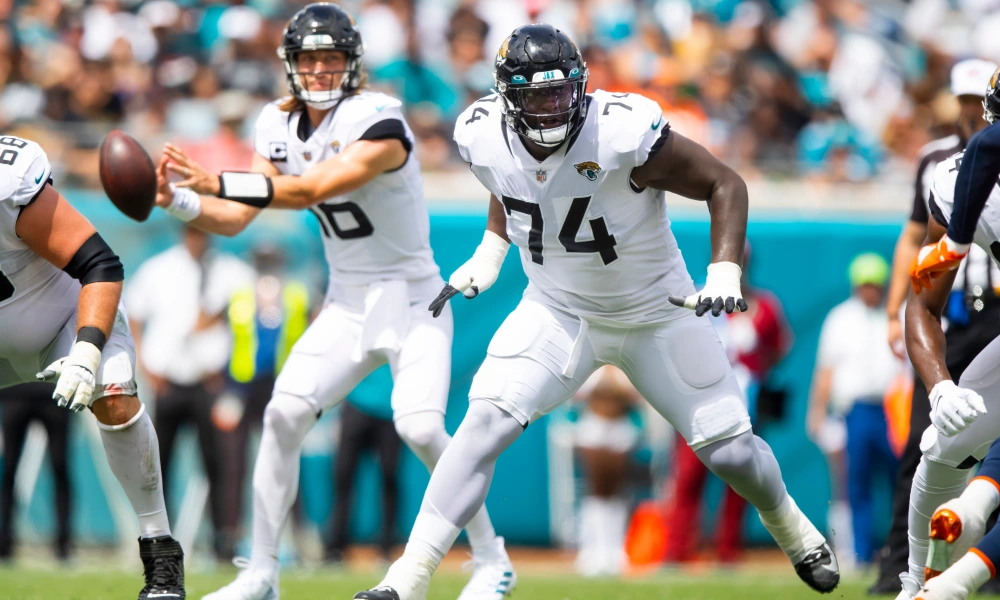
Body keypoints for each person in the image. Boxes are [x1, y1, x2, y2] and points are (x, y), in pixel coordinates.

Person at [355, 23, 839, 600]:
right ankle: (407, 578)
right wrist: (492, 248)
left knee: (732, 452)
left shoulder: (619, 131)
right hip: (558, 309)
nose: (550, 107)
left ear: (581, 85)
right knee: (481, 426)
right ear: (508, 99)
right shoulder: (481, 133)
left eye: (560, 92)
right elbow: (508, 182)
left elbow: (725, 183)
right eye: (535, 96)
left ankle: (791, 527)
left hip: (656, 312)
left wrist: (724, 270)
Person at [153, 5, 511, 599]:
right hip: (345, 303)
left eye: (331, 57)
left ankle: (491, 558)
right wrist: (180, 201)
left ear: (352, 62)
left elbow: (310, 189)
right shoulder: (274, 122)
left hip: (412, 298)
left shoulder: (380, 119)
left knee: (421, 426)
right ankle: (261, 573)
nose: (320, 69)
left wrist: (213, 180)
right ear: (290, 63)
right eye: (309, 58)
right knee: (282, 415)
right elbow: (237, 217)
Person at [0, 134, 184, 598]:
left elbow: (100, 265)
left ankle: (160, 550)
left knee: (113, 394)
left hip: (64, 320)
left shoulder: (8, 185)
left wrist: (85, 352)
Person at [871, 58, 1000, 596]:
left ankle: (960, 566)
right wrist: (940, 386)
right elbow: (923, 304)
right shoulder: (953, 180)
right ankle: (915, 581)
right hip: (974, 315)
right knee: (942, 445)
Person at [127, 224, 254, 561]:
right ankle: (159, 541)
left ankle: (224, 542)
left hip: (210, 382)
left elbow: (250, 318)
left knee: (219, 464)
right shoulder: (159, 269)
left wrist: (220, 329)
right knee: (158, 465)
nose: (198, 238)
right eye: (192, 232)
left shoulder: (232, 272)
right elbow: (133, 314)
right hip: (167, 381)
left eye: (203, 231)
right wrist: (144, 365)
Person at [663, 242, 792, 565]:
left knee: (741, 481)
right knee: (688, 477)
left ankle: (727, 550)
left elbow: (780, 346)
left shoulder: (764, 305)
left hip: (744, 404)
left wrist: (754, 372)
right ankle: (677, 550)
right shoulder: (697, 296)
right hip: (699, 402)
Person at [807, 252, 901, 569]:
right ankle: (862, 553)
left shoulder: (896, 314)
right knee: (856, 483)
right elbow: (826, 370)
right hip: (856, 411)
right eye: (865, 284)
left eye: (875, 284)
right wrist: (817, 412)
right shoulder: (840, 318)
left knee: (900, 481)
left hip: (892, 409)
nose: (870, 290)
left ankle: (899, 551)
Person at [325, 368, 403, 565]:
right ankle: (335, 549)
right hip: (356, 406)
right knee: (343, 476)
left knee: (390, 477)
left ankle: (387, 549)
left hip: (391, 410)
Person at [573, 366, 641, 576]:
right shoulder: (591, 370)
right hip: (594, 431)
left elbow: (637, 398)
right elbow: (576, 396)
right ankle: (591, 551)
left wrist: (617, 382)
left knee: (617, 494)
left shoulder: (626, 371)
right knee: (596, 493)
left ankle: (615, 551)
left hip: (619, 433)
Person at [0, 382, 71, 562]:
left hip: (53, 393)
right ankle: (4, 545)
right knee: (8, 470)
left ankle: (63, 546)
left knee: (60, 468)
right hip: (15, 393)